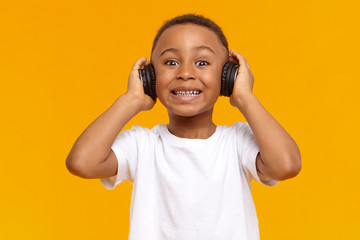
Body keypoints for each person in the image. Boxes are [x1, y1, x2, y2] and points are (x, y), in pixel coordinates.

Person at [66, 14, 301, 240]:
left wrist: (245, 96)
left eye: (202, 62)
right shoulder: (143, 145)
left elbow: (286, 165)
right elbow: (82, 163)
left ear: (227, 75)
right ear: (149, 76)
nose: (185, 73)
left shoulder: (237, 142)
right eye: (171, 62)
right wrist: (131, 100)